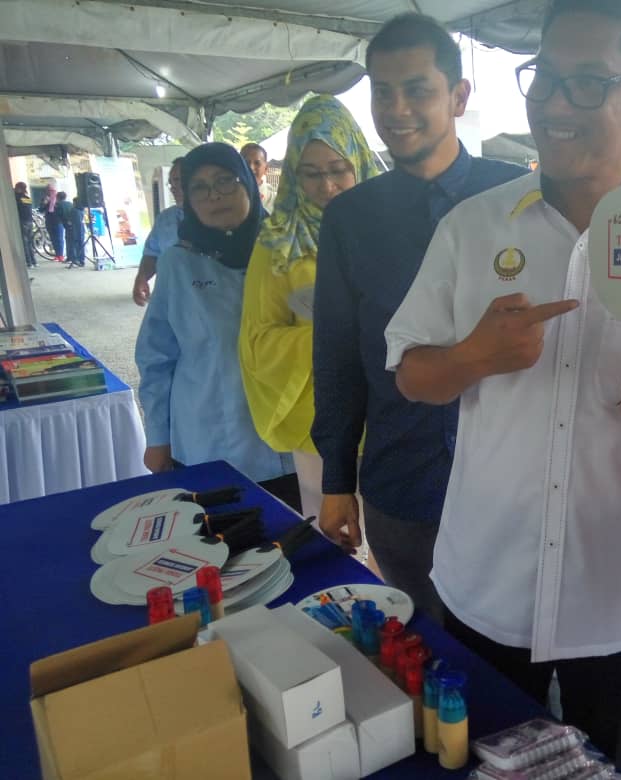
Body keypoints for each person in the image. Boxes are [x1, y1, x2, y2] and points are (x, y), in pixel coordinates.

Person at [385, 1, 621, 773]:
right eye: (545, 78)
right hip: (484, 587)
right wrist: (473, 356)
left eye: (588, 83)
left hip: (617, 599)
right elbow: (411, 374)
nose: (555, 105)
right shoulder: (473, 227)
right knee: (469, 763)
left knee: (606, 766)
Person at [312, 13, 527, 623]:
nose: (397, 109)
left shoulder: (519, 198)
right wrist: (336, 479)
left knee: (516, 655)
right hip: (404, 480)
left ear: (458, 96)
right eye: (382, 92)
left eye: (417, 90)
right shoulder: (351, 217)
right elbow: (337, 355)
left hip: (512, 481)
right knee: (425, 649)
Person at [240, 94, 380, 522]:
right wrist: (329, 337)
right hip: (319, 419)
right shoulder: (277, 244)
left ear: (358, 162)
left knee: (394, 536)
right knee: (335, 533)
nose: (327, 186)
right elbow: (257, 342)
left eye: (338, 170)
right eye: (312, 173)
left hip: (391, 412)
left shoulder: (390, 228)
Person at [136, 142, 298, 507]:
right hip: (208, 440)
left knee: (296, 535)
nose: (214, 196)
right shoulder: (178, 264)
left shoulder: (286, 252)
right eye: (200, 187)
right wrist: (157, 437)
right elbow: (155, 357)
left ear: (248, 183)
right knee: (217, 537)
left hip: (287, 438)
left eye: (226, 181)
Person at [133, 158, 184, 305]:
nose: (173, 188)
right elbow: (152, 253)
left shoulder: (216, 218)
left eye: (178, 180)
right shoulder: (165, 219)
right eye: (171, 183)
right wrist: (142, 278)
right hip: (169, 297)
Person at [240, 143, 276, 211]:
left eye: (257, 163)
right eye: (246, 163)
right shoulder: (227, 196)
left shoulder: (275, 200)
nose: (251, 168)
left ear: (266, 168)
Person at [40, 183, 65, 262]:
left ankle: (61, 255)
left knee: (59, 238)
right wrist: (45, 203)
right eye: (49, 190)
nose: (51, 192)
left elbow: (61, 208)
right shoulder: (45, 199)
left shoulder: (58, 199)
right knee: (53, 239)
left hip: (58, 221)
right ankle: (57, 255)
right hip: (49, 221)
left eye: (52, 190)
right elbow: (41, 210)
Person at [13, 182, 36, 268]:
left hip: (22, 222)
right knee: (29, 242)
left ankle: (29, 262)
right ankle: (34, 261)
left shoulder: (17, 198)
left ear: (18, 188)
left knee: (25, 243)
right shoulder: (27, 198)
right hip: (29, 221)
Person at [60, 195, 86, 268]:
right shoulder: (81, 210)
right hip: (81, 229)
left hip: (74, 229)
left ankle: (76, 260)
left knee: (74, 245)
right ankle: (81, 260)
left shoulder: (74, 210)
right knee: (81, 245)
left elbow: (70, 221)